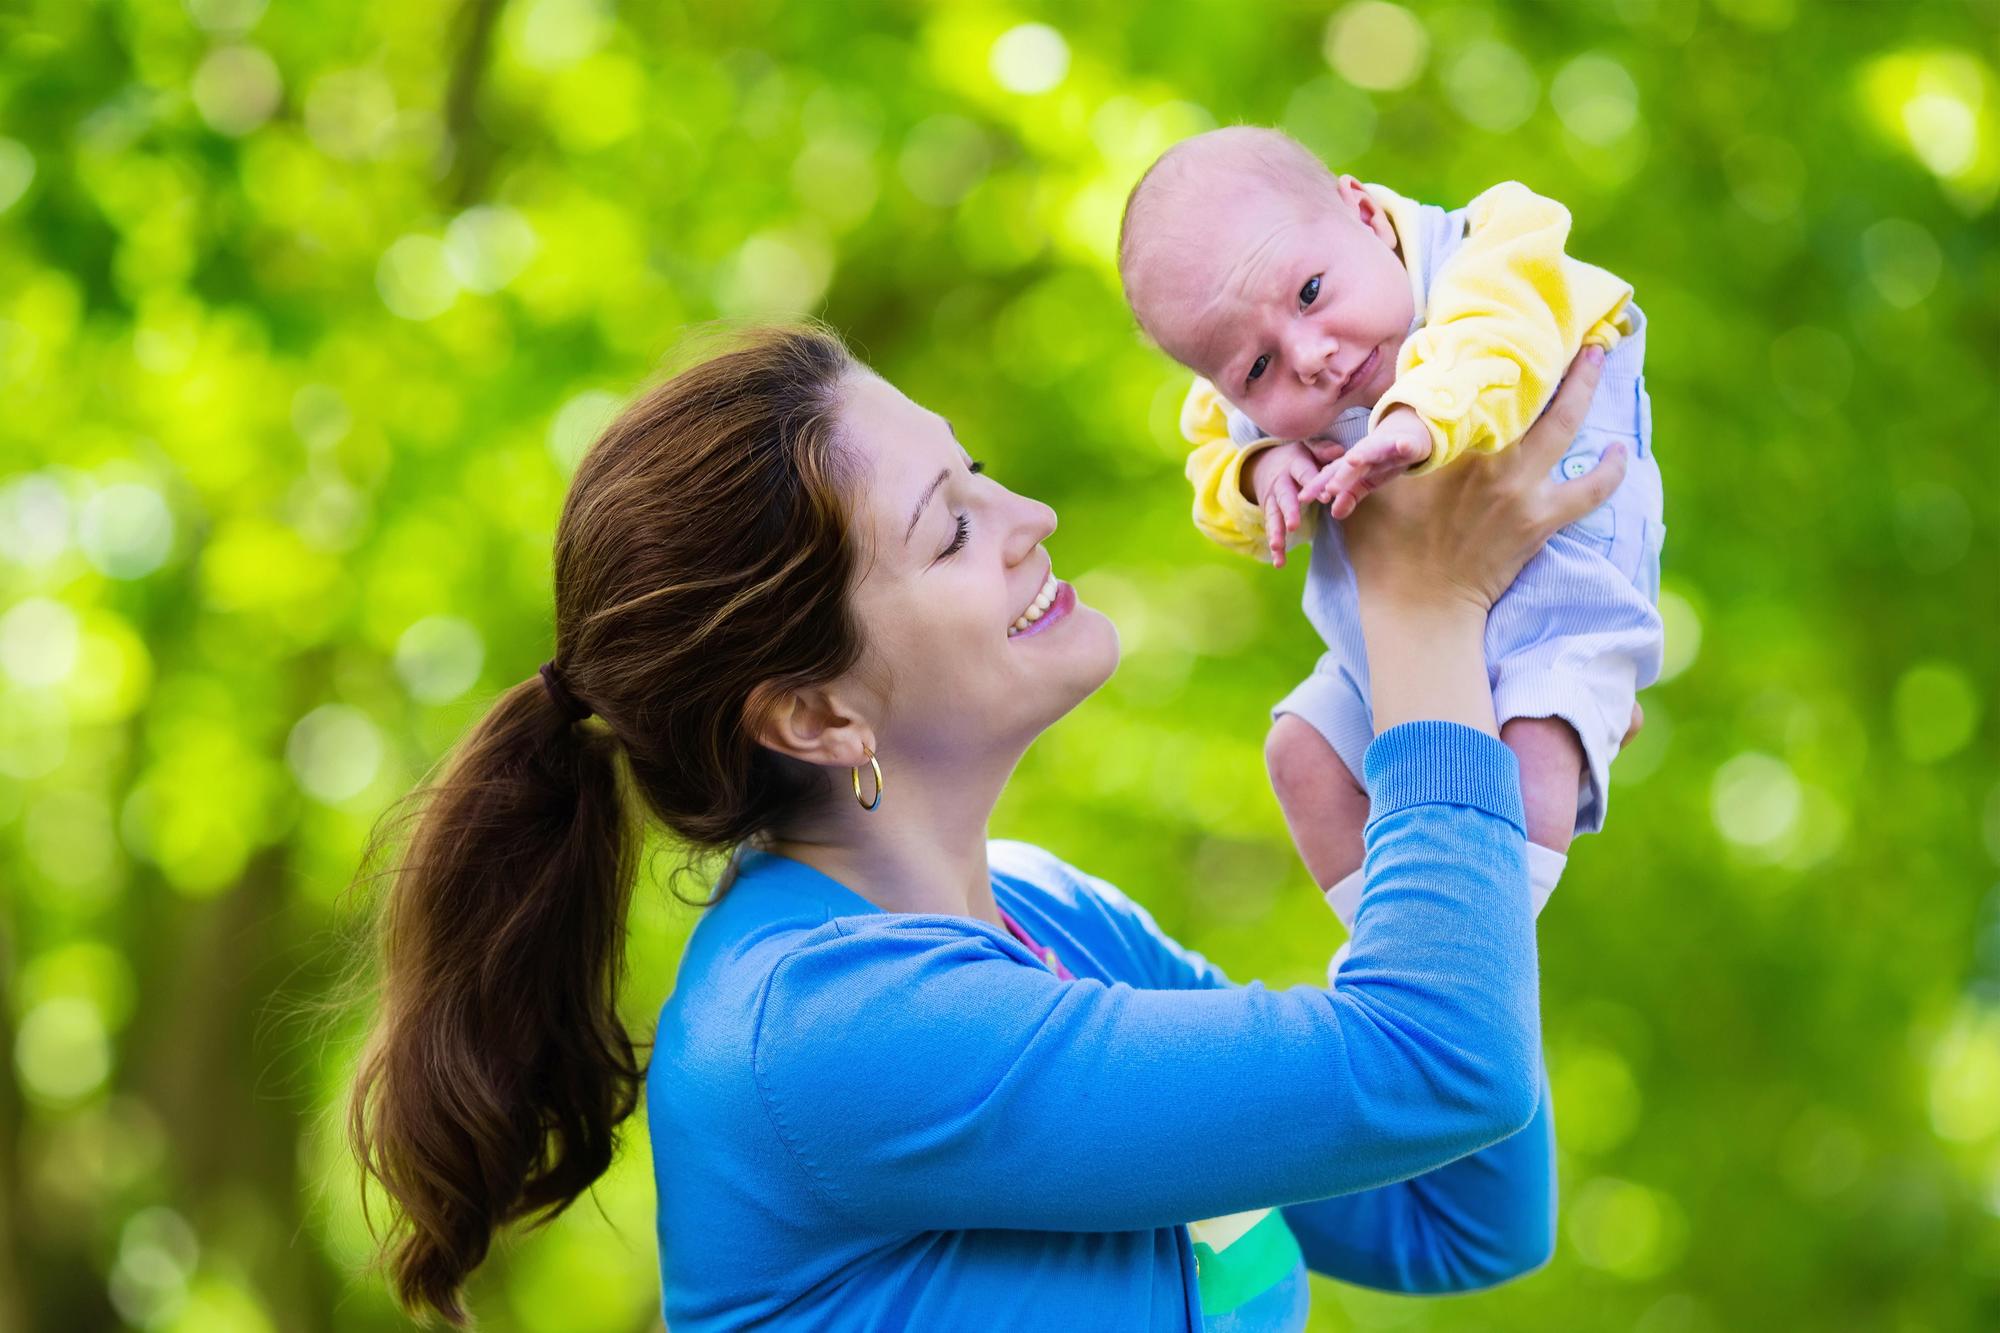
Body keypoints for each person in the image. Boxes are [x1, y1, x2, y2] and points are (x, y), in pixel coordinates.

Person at [345, 324, 1626, 1329]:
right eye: (950, 528)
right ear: (812, 713)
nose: (1029, 521)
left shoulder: (1052, 921)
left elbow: (1457, 1208)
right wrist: (1419, 620)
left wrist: (1409, 824)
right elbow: (1441, 1066)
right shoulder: (821, 1031)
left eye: (974, 472)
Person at [1118, 127, 1664, 952]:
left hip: (1562, 607)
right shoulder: (1252, 400)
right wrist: (1261, 471)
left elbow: (1504, 336)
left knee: (1536, 756)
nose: (1308, 357)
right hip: (1384, 654)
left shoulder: (1496, 251)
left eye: (1308, 292)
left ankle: (1474, 959)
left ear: (1366, 214)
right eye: (1255, 370)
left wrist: (1420, 419)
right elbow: (1211, 464)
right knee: (1297, 751)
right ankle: (1394, 951)